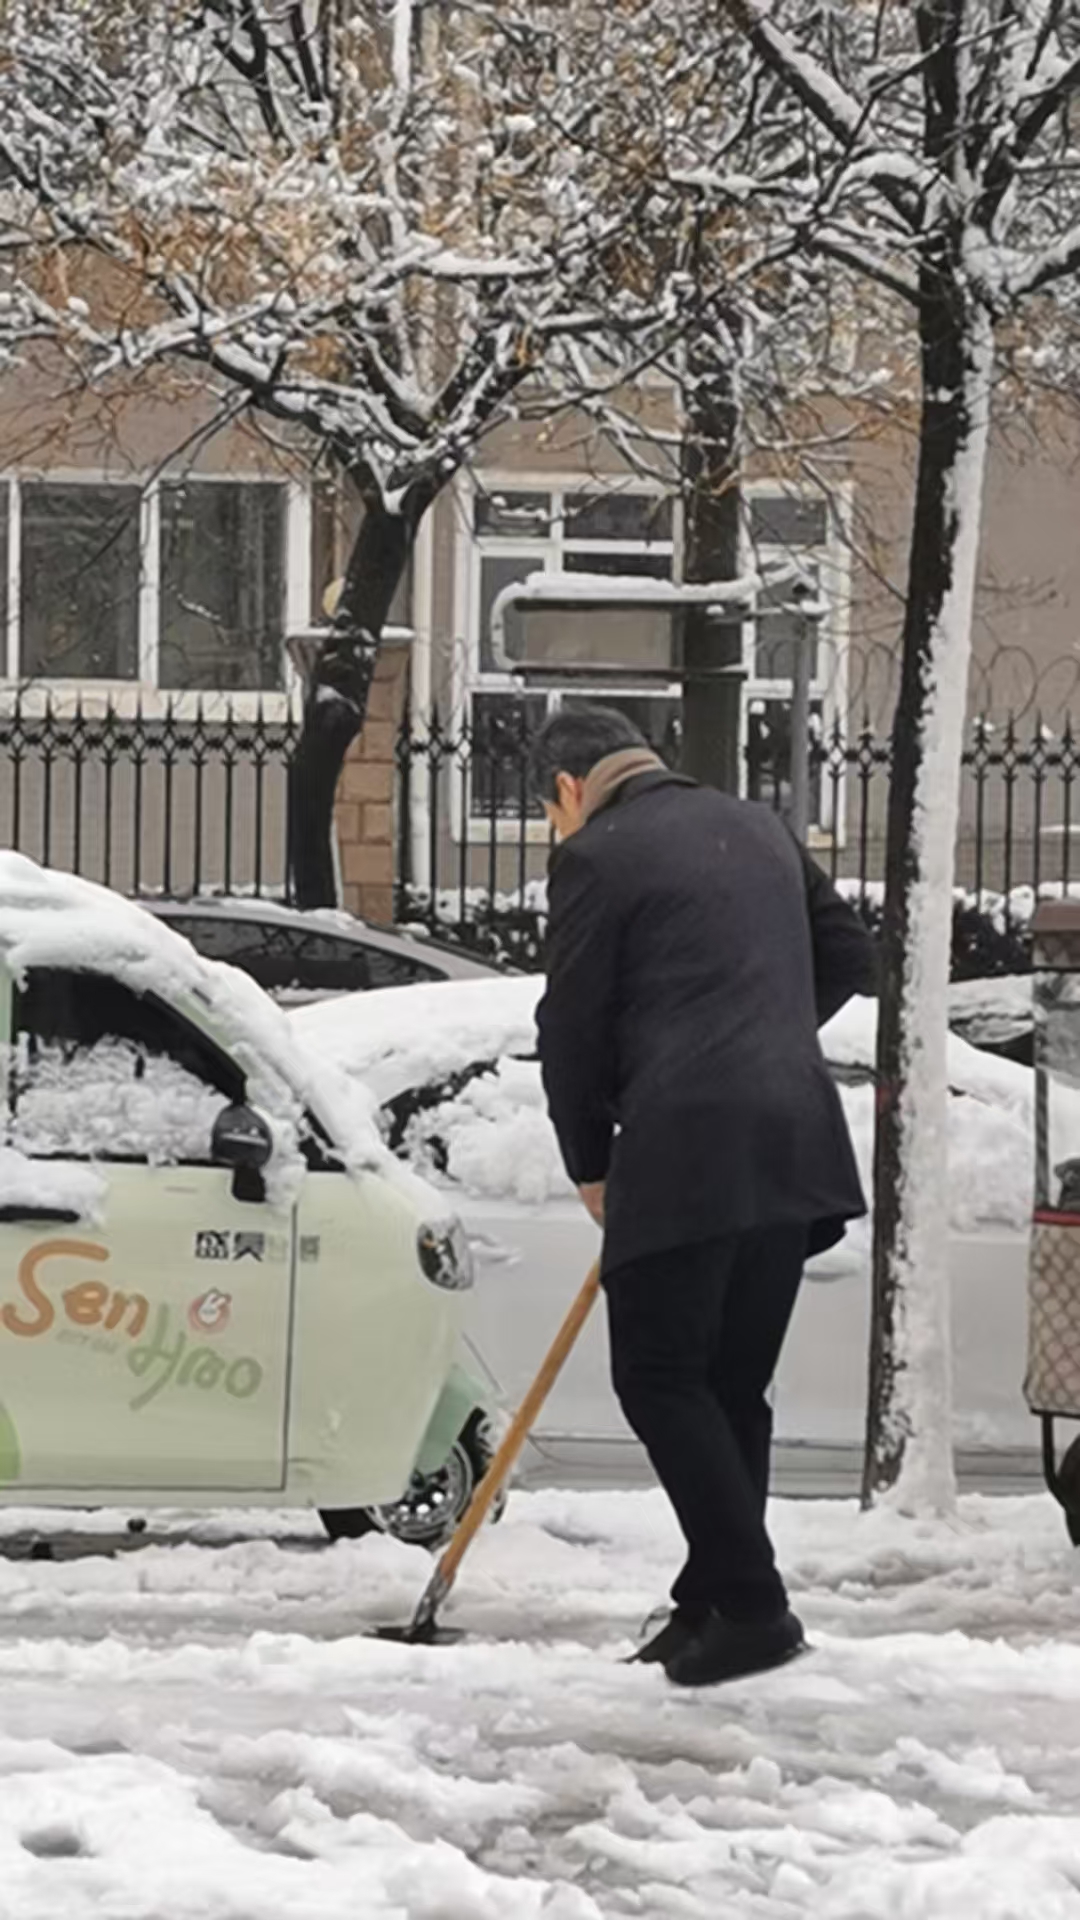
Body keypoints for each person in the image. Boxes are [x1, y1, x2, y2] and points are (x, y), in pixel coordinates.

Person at [531, 705, 875, 1687]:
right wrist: (753, 1030)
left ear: (568, 787)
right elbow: (852, 955)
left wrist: (590, 1158)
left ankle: (757, 1609)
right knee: (728, 1389)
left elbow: (574, 1026)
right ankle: (709, 1602)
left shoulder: (599, 855)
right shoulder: (760, 827)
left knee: (657, 1378)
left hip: (685, 1149)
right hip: (792, 1141)